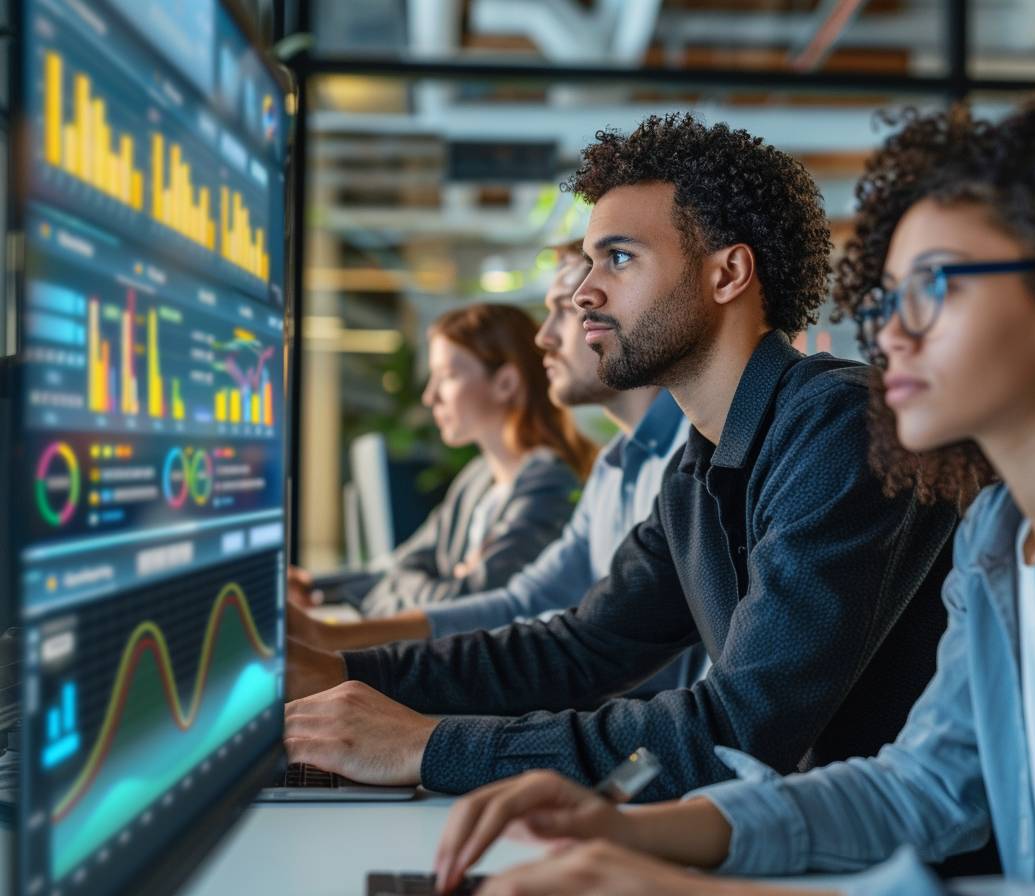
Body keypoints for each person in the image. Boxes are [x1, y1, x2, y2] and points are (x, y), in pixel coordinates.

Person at [425, 94, 1035, 895]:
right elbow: (925, 786)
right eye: (890, 293)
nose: (892, 332)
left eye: (937, 286)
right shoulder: (1000, 532)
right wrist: (632, 829)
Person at [282, 114, 959, 805]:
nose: (584, 292)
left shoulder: (839, 430)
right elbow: (578, 650)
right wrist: (339, 669)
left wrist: (426, 746)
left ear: (728, 273)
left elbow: (736, 732)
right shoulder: (697, 473)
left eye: (620, 258)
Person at [287, 244, 706, 696]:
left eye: (566, 311)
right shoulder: (611, 467)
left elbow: (607, 653)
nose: (543, 338)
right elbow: (526, 602)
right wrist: (335, 646)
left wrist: (354, 666)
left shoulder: (690, 463)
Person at [291, 303, 598, 618]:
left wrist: (434, 585)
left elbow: (472, 605)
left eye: (447, 376)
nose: (430, 396)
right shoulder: (478, 477)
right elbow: (401, 567)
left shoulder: (550, 482)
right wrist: (314, 587)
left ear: (505, 383)